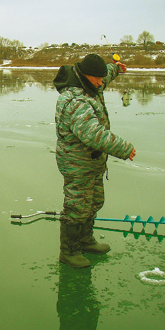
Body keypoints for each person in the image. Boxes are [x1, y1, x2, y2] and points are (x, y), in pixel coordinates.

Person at [53, 54, 136, 269]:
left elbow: (105, 75)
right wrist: (124, 148)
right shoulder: (75, 101)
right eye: (96, 79)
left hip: (92, 161)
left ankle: (85, 240)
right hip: (76, 162)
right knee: (77, 206)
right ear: (84, 75)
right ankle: (69, 252)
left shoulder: (91, 83)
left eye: (101, 79)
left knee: (95, 201)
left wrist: (116, 68)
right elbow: (93, 135)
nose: (101, 83)